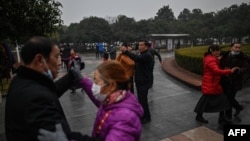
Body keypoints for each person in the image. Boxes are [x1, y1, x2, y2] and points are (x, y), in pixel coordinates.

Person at [5, 36, 101, 141]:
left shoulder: (22, 80)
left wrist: (71, 76)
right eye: (56, 57)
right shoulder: (36, 99)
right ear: (39, 60)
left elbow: (49, 91)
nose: (60, 62)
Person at [39, 60, 143, 141]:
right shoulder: (112, 100)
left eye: (96, 81)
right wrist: (81, 79)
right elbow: (96, 97)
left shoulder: (125, 119)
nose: (94, 85)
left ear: (111, 85)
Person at [194, 45, 239, 127]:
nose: (218, 52)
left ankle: (200, 116)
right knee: (223, 100)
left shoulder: (210, 58)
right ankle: (222, 119)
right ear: (212, 51)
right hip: (211, 84)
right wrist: (230, 71)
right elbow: (216, 70)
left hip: (210, 83)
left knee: (204, 101)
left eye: (219, 50)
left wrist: (218, 60)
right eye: (216, 51)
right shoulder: (211, 60)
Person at [121, 40, 153, 124]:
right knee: (141, 100)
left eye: (141, 45)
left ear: (146, 46)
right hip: (140, 81)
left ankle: (147, 117)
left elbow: (137, 59)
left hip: (144, 81)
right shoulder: (142, 54)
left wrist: (126, 51)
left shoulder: (147, 55)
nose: (139, 47)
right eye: (138, 45)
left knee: (143, 100)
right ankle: (142, 115)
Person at [220, 42, 249, 119]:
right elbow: (220, 65)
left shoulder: (243, 57)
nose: (237, 49)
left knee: (229, 98)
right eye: (236, 47)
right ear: (231, 48)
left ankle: (228, 116)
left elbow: (246, 67)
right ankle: (238, 107)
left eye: (239, 47)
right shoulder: (225, 55)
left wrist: (239, 70)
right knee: (228, 98)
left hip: (235, 81)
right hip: (225, 80)